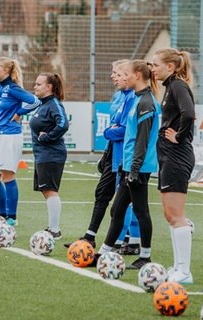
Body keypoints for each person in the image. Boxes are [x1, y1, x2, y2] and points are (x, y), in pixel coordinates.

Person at [91, 59, 160, 270]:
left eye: (126, 73)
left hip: (138, 168)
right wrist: (125, 164)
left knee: (141, 211)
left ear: (137, 75)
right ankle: (104, 252)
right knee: (118, 209)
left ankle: (145, 257)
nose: (122, 77)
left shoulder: (147, 102)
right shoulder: (138, 99)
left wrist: (134, 169)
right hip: (129, 165)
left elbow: (143, 140)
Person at [63, 59, 136, 250]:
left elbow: (125, 129)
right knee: (103, 194)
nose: (113, 76)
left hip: (124, 156)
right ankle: (91, 236)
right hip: (113, 153)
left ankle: (125, 241)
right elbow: (115, 127)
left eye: (117, 73)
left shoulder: (134, 98)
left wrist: (109, 131)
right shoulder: (119, 96)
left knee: (127, 201)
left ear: (129, 76)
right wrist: (107, 149)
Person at [151, 48, 196, 283]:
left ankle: (185, 271)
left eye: (156, 64)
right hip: (168, 156)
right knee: (170, 215)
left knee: (176, 215)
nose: (152, 68)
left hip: (177, 155)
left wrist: (178, 137)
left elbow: (189, 114)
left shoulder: (178, 86)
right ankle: (179, 267)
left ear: (171, 67)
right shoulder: (170, 87)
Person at [0, 57, 41, 226]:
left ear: (5, 71)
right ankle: (1, 215)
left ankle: (11, 217)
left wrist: (19, 113)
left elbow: (35, 101)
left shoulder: (13, 88)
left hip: (10, 136)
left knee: (7, 176)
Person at [30, 73, 69, 239]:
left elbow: (63, 123)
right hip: (42, 155)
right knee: (46, 191)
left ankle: (54, 230)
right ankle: (52, 228)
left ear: (49, 87)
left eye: (39, 84)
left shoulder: (53, 103)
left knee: (50, 190)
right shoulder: (43, 104)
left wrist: (48, 137)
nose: (35, 87)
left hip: (51, 154)